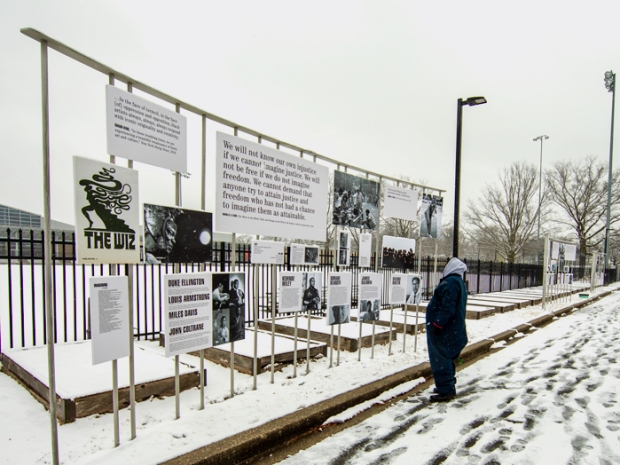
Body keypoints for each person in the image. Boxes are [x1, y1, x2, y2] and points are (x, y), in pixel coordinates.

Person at [425, 257, 468, 402]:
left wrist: (438, 324)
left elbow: (447, 307)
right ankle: (446, 384)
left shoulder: (450, 283)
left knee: (441, 359)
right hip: (452, 329)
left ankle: (446, 390)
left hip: (445, 330)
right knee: (447, 358)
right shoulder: (457, 282)